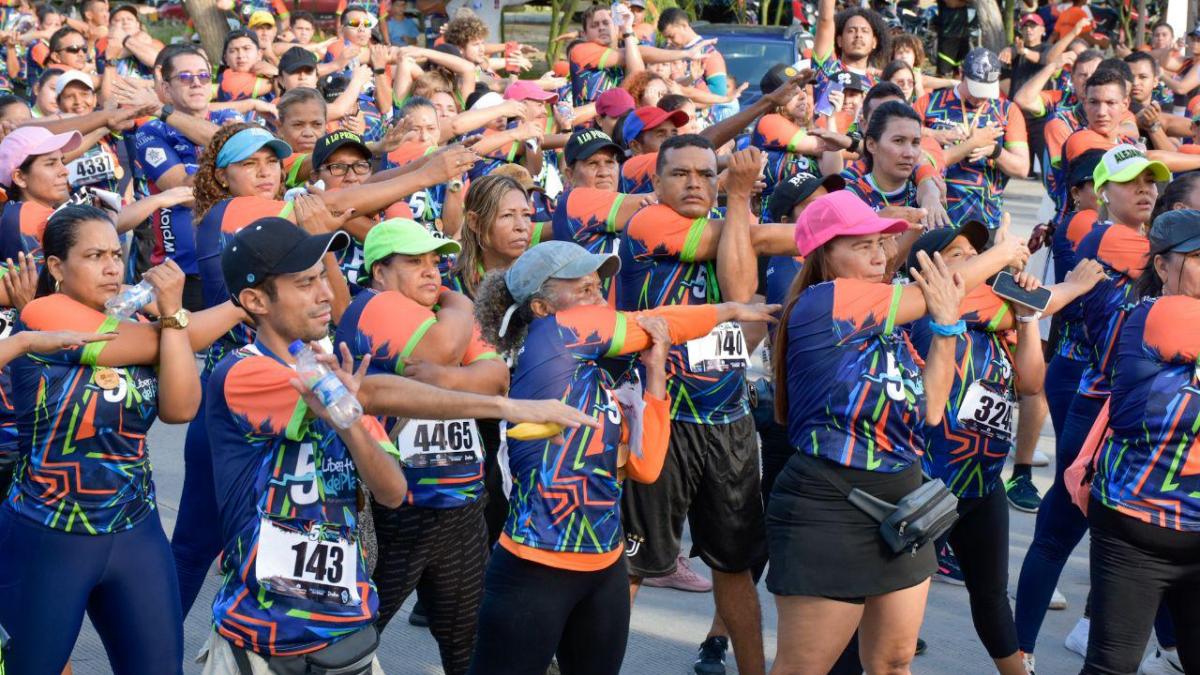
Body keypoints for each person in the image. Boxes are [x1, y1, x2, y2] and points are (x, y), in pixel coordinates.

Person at [199, 216, 595, 671]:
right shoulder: (244, 372)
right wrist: (512, 409)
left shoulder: (334, 369)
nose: (327, 293)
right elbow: (372, 393)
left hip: (345, 630)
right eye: (305, 283)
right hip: (262, 636)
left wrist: (351, 422)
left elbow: (389, 489)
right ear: (254, 300)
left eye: (322, 279)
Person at [467, 239, 776, 675]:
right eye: (583, 288)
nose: (598, 296)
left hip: (605, 567)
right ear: (540, 307)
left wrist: (654, 375)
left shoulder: (600, 376)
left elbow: (647, 468)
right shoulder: (551, 339)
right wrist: (727, 311)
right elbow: (651, 321)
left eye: (598, 286)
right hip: (535, 568)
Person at [767, 189, 1029, 674]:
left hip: (903, 499)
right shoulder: (823, 301)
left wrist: (948, 329)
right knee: (803, 667)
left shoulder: (886, 325)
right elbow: (939, 287)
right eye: (860, 244)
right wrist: (1000, 255)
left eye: (881, 243)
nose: (878, 254)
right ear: (824, 253)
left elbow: (932, 408)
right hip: (829, 503)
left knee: (893, 661)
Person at [0, 204, 242, 674]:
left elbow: (180, 408)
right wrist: (203, 315)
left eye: (116, 253)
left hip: (135, 528)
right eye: (93, 256)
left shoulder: (138, 317)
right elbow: (157, 344)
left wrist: (172, 316)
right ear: (56, 267)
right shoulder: (42, 315)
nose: (112, 266)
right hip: (48, 534)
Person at [619, 141, 801, 675]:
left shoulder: (731, 230)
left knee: (735, 566)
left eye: (707, 173)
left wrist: (738, 203)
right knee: (631, 565)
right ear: (656, 183)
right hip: (661, 422)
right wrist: (741, 196)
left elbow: (742, 292)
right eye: (680, 173)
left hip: (729, 424)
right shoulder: (647, 224)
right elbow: (756, 249)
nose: (695, 183)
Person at [907, 222, 1105, 675]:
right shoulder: (926, 313)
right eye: (960, 255)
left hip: (982, 483)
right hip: (930, 485)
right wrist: (1065, 287)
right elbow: (965, 292)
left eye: (977, 252)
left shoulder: (998, 322)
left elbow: (1031, 383)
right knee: (896, 597)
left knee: (992, 595)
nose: (977, 261)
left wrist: (1028, 314)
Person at [1014, 144, 1170, 667]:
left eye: (1152, 180)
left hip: (1128, 408)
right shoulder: (1116, 239)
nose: (1146, 188)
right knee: (1061, 531)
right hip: (1100, 410)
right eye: (1131, 182)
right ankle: (1021, 653)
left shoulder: (1148, 241)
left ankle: (1149, 641)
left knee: (1127, 536)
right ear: (1103, 193)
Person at [337, 218, 508, 674]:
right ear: (378, 272)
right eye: (414, 262)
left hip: (461, 507)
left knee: (469, 646)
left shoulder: (442, 314)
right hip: (396, 510)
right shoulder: (374, 306)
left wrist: (448, 376)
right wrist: (458, 307)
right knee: (347, 640)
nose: (432, 271)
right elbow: (439, 348)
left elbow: (497, 380)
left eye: (436, 261)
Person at [1083, 209, 1200, 675]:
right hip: (1138, 529)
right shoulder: (1159, 313)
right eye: (1197, 257)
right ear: (1162, 267)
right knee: (1111, 668)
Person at [132, 44, 243, 310]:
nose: (196, 83)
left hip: (236, 261)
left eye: (203, 76)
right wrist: (228, 155)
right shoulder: (151, 131)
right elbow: (185, 194)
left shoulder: (230, 116)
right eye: (184, 77)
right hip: (182, 271)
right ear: (167, 89)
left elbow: (242, 149)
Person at [915, 47, 1030, 229]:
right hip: (933, 215)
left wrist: (995, 151)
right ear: (961, 74)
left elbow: (1022, 168)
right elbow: (905, 140)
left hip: (984, 219)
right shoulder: (929, 103)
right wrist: (933, 134)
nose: (981, 97)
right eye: (976, 89)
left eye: (987, 90)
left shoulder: (1007, 111)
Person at [448, 174, 533, 297]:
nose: (522, 226)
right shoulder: (455, 287)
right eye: (507, 215)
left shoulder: (543, 279)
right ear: (475, 222)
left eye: (526, 215)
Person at [810, 0, 886, 101]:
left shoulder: (878, 86)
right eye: (851, 31)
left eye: (865, 31)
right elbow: (825, 20)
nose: (858, 35)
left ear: (874, 42)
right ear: (839, 40)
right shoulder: (827, 68)